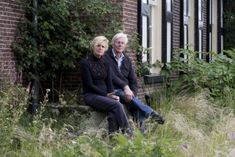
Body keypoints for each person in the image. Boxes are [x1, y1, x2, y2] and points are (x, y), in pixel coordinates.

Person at [105, 32, 165, 132]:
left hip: (126, 92)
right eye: (118, 42)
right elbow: (111, 76)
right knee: (131, 101)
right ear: (113, 43)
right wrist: (126, 88)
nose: (120, 45)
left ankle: (141, 132)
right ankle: (151, 113)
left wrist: (132, 94)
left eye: (122, 43)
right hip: (112, 89)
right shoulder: (106, 57)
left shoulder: (127, 59)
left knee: (135, 106)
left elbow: (133, 80)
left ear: (125, 45)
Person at [80, 36, 131, 135]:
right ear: (93, 47)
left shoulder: (106, 62)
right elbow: (89, 85)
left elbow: (109, 82)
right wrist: (106, 95)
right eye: (98, 45)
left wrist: (112, 94)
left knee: (113, 110)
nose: (100, 48)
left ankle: (113, 138)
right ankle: (128, 133)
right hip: (91, 95)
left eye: (103, 46)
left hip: (105, 94)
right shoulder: (85, 63)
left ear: (105, 49)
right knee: (117, 105)